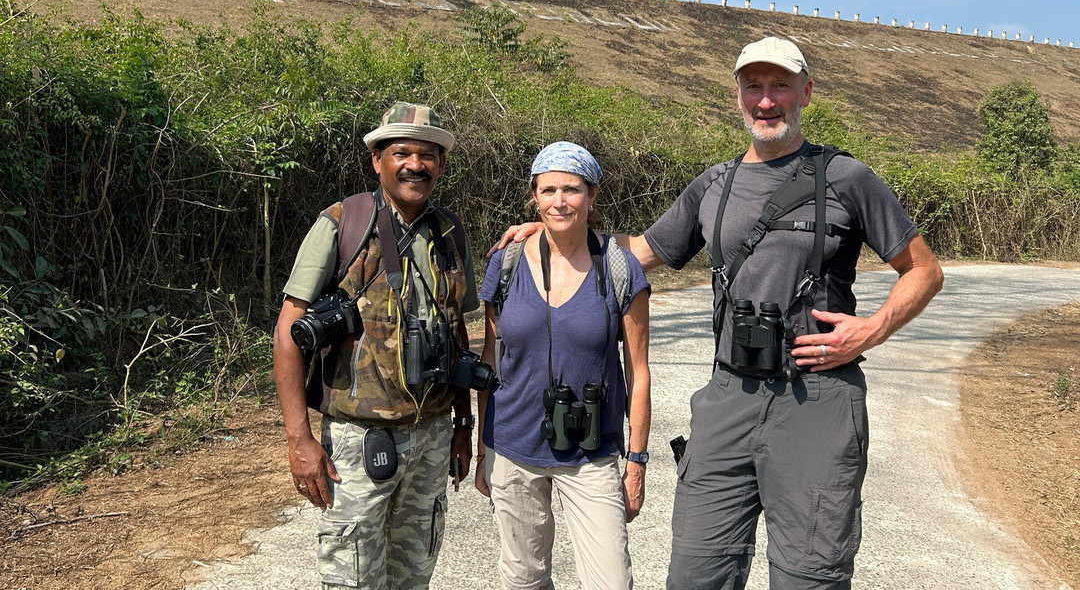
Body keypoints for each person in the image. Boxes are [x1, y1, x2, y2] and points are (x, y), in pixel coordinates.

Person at [496, 38, 944, 590]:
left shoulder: (846, 178)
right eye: (753, 86)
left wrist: (871, 330)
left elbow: (924, 270)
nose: (766, 100)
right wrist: (559, 226)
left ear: (806, 91)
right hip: (727, 394)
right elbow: (638, 251)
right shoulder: (715, 184)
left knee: (810, 575)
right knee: (695, 574)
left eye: (779, 85)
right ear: (737, 96)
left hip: (818, 398)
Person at [273, 102, 481, 590]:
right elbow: (288, 330)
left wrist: (464, 424)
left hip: (432, 435)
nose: (415, 164)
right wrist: (299, 439)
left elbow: (457, 335)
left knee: (414, 576)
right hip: (356, 438)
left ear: (441, 165)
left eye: (427, 154)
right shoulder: (344, 222)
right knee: (353, 579)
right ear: (377, 160)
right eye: (402, 152)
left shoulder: (451, 233)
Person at [475, 141, 652, 590]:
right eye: (548, 190)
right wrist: (483, 448)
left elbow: (638, 371)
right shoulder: (506, 261)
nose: (559, 201)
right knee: (523, 579)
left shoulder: (620, 268)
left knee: (611, 581)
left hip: (591, 451)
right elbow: (491, 359)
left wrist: (636, 461)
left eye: (571, 190)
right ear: (534, 196)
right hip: (513, 445)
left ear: (593, 195)